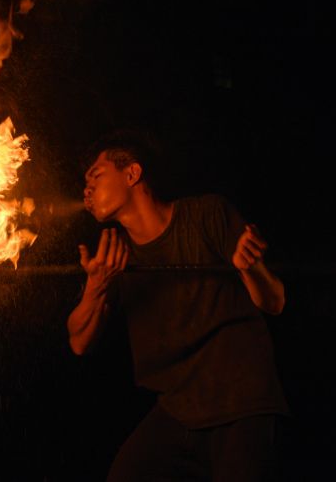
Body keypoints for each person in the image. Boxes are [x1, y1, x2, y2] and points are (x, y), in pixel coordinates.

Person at [67, 130, 289, 481]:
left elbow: (274, 301)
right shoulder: (116, 257)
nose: (86, 190)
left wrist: (249, 269)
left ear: (132, 174)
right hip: (177, 408)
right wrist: (96, 287)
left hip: (240, 403)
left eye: (96, 176)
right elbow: (79, 342)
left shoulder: (206, 214)